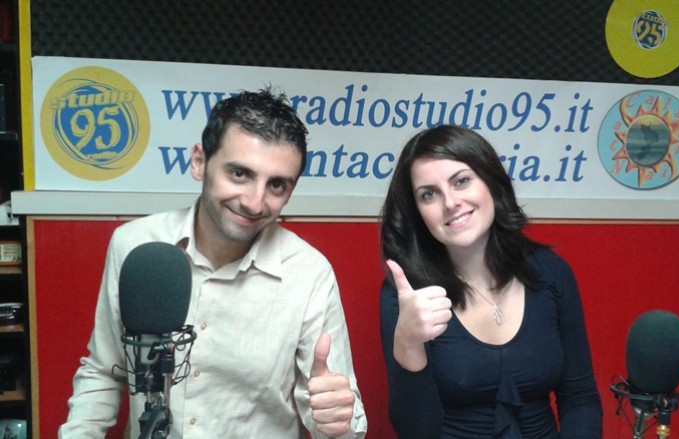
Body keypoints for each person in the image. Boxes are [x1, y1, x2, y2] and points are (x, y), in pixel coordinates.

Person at [60, 89, 367, 438]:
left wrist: (337, 421)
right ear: (199, 162)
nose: (254, 202)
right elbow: (104, 370)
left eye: (277, 185)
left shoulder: (309, 273)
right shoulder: (135, 245)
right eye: (239, 174)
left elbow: (339, 419)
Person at [379, 125, 601, 438]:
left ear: (491, 181)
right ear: (417, 212)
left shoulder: (551, 273)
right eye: (429, 194)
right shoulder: (406, 295)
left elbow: (580, 398)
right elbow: (417, 432)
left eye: (461, 181)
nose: (450, 202)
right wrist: (408, 344)